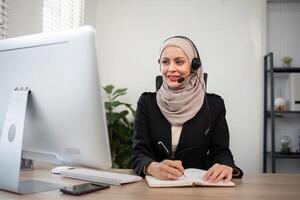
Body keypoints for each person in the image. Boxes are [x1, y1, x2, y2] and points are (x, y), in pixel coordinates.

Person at [131, 36, 243, 183]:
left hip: (198, 188)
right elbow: (138, 152)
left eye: (179, 62)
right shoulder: (147, 103)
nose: (171, 69)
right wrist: (151, 167)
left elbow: (220, 151)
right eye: (165, 62)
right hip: (156, 186)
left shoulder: (214, 105)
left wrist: (225, 166)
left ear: (193, 65)